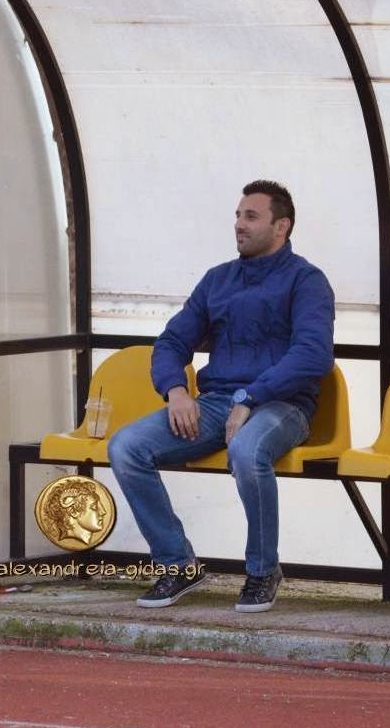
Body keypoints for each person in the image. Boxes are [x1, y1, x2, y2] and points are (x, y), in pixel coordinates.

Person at [108, 180, 335, 613]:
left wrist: (251, 397)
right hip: (215, 405)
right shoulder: (218, 280)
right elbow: (172, 342)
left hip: (282, 405)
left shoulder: (306, 280)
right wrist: (176, 391)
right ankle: (178, 564)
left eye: (251, 216)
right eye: (237, 215)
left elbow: (313, 354)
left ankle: (263, 570)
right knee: (126, 447)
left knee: (247, 450)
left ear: (281, 226)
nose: (239, 225)